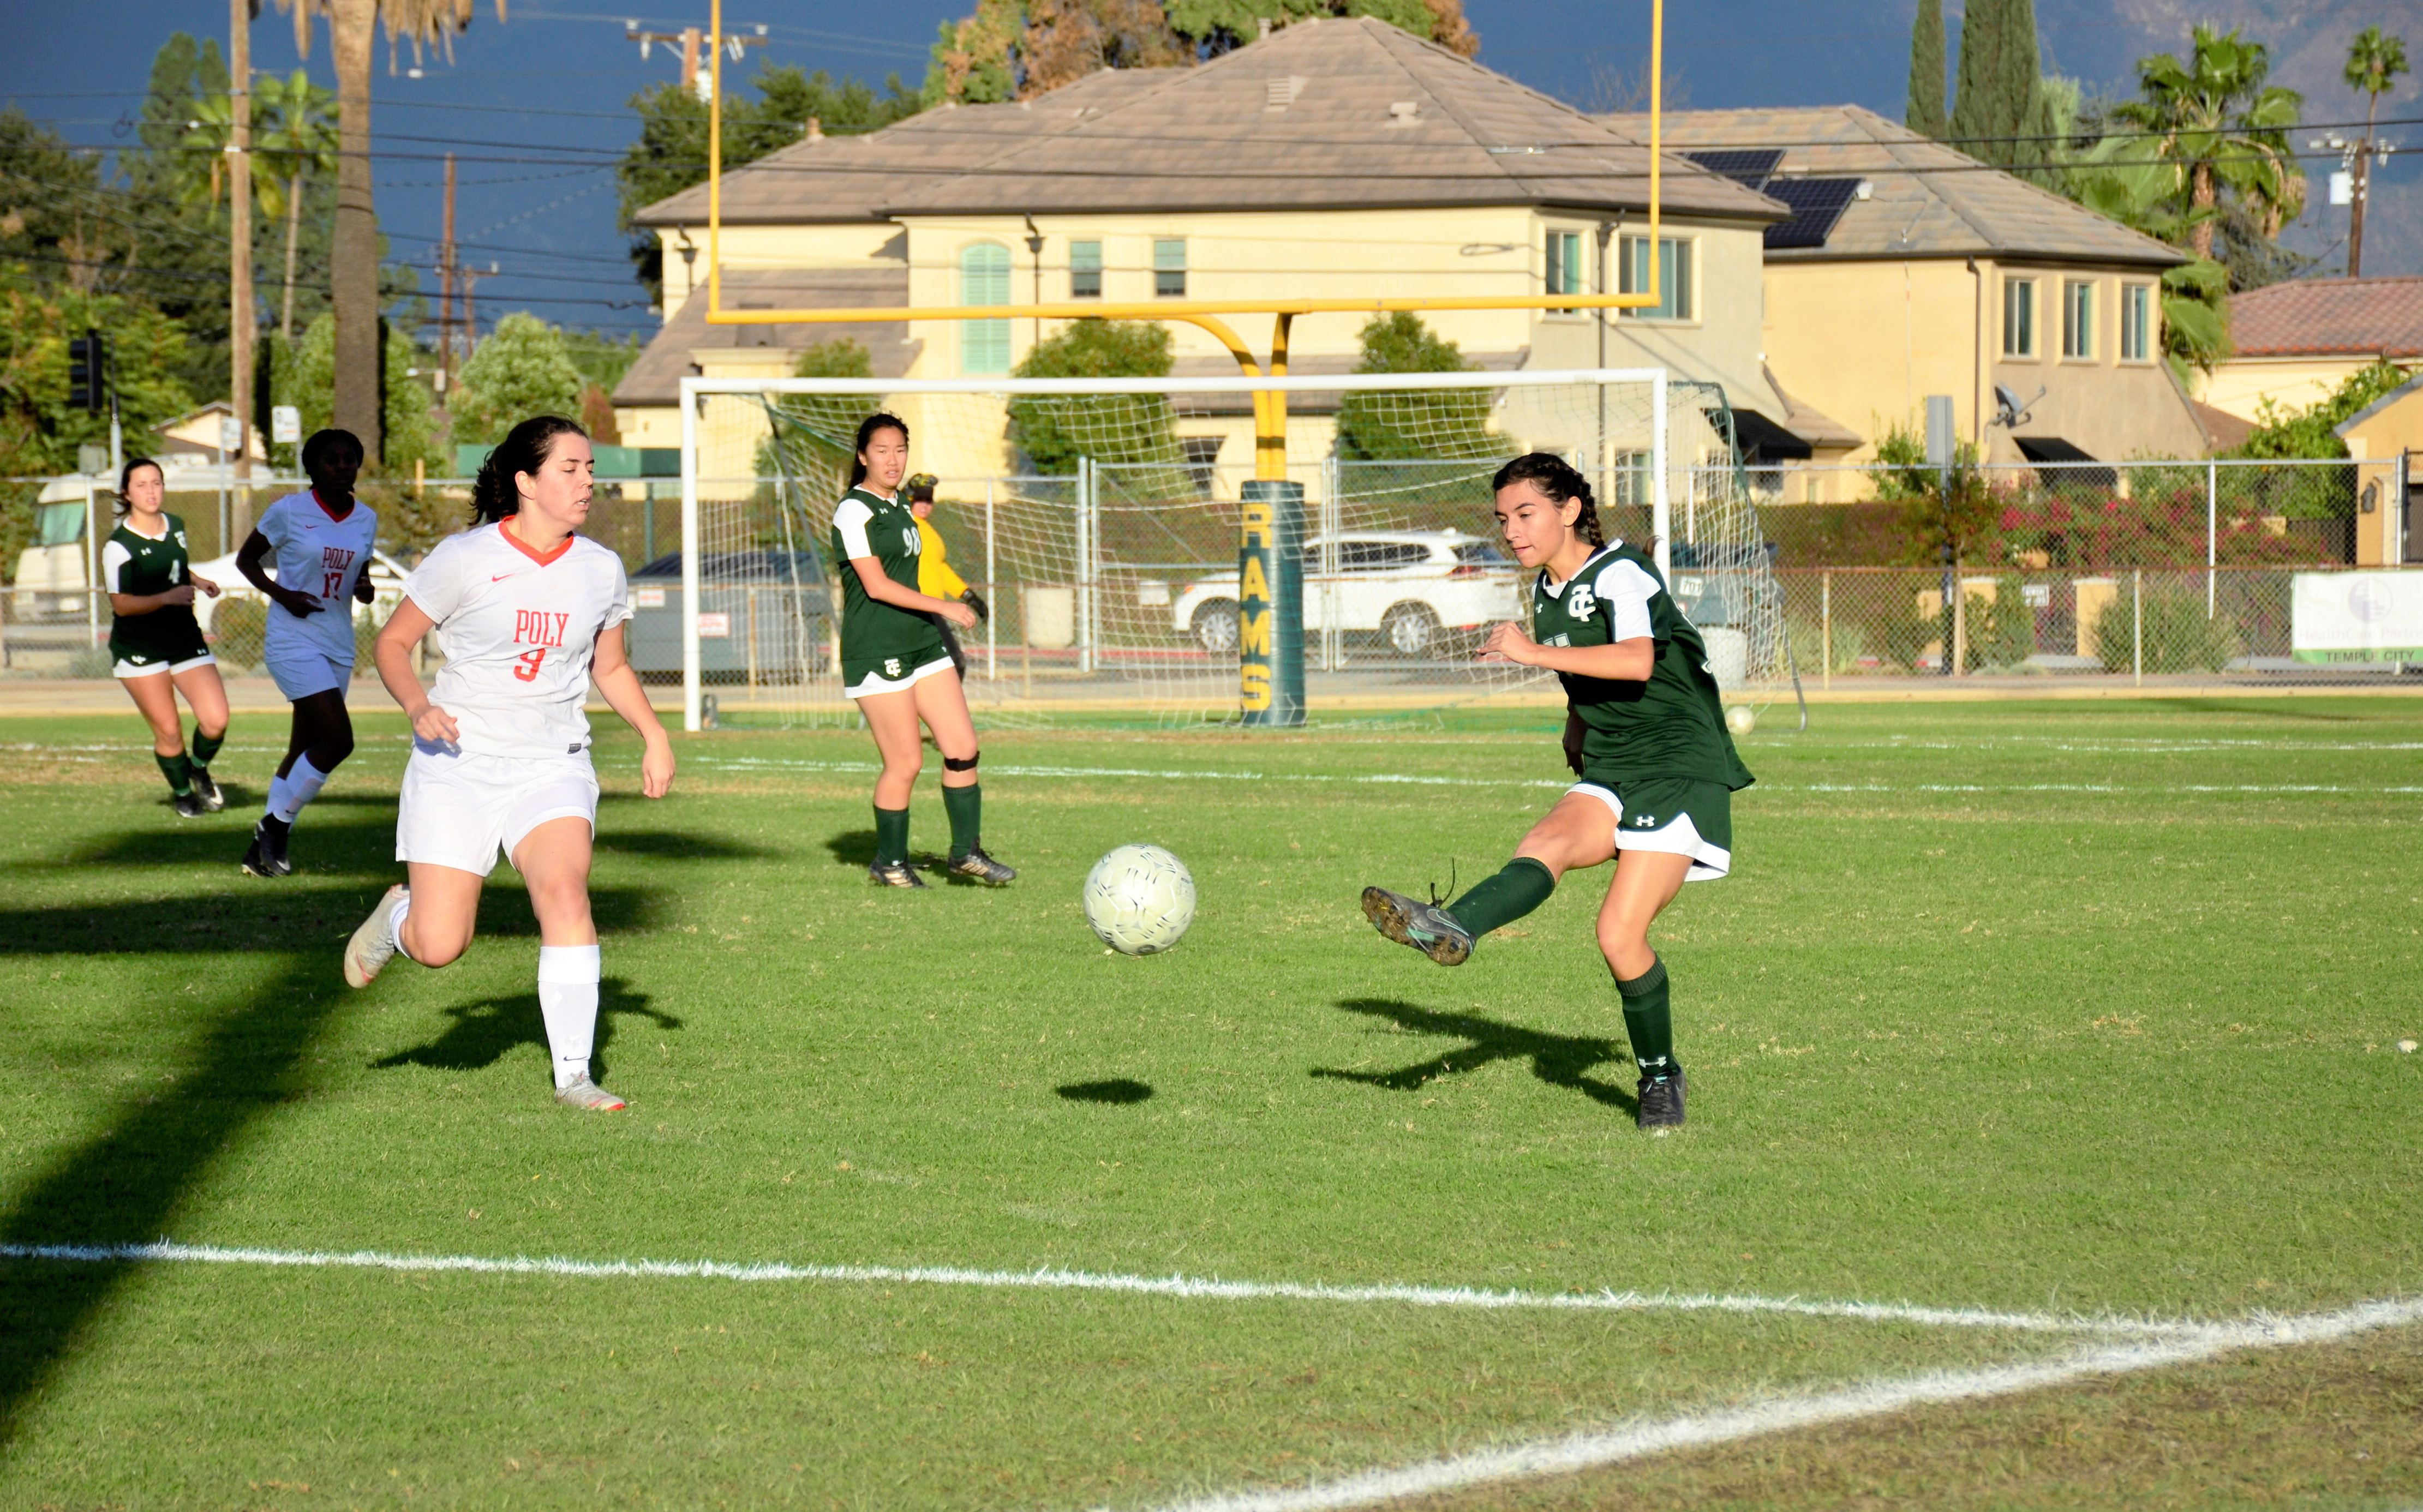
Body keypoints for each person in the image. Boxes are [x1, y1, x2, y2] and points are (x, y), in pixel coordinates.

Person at [1359, 453, 1754, 1130]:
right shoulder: (1546, 590)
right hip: (1612, 762)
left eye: (1524, 514)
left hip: (1679, 766)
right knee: (1544, 842)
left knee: (1617, 934)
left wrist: (1531, 654)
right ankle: (1451, 926)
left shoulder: (1621, 571)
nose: (1511, 530)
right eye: (1502, 518)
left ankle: (1660, 1077)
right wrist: (1576, 725)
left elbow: (1635, 660)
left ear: (1570, 510)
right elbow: (1589, 676)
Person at [341, 415, 674, 1112]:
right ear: (526, 482)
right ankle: (396, 921)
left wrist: (654, 735)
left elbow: (609, 668)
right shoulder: (465, 557)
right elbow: (393, 645)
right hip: (456, 765)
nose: (588, 481)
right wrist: (416, 707)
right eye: (571, 469)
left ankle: (575, 1077)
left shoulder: (601, 568)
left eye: (590, 469)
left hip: (551, 764)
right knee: (439, 946)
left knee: (564, 892)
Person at [831, 416, 1013, 889]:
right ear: (863, 456)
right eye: (882, 450)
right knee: (906, 762)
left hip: (921, 642)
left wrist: (944, 604)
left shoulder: (902, 509)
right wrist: (944, 608)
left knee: (963, 748)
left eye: (900, 450)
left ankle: (965, 854)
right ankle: (889, 863)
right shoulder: (854, 510)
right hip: (877, 648)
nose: (893, 460)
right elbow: (875, 584)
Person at [236, 428, 378, 877]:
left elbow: (359, 570)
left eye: (349, 459)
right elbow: (247, 560)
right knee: (339, 740)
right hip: (293, 638)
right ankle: (275, 826)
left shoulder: (366, 518)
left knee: (304, 747)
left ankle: (260, 852)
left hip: (339, 641)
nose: (342, 466)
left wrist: (364, 585)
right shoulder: (289, 511)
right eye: (331, 459)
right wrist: (284, 595)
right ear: (312, 469)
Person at [104, 457, 230, 817]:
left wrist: (197, 580)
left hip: (183, 637)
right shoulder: (118, 546)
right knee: (170, 731)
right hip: (140, 647)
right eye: (141, 485)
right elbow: (122, 605)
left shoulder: (175, 525)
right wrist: (166, 597)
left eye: (156, 483)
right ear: (126, 493)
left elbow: (171, 564)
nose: (150, 491)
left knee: (216, 719)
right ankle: (181, 793)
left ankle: (198, 770)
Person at [904, 471, 988, 678]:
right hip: (917, 607)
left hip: (932, 608)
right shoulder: (904, 525)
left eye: (929, 500)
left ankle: (925, 709)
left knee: (946, 666)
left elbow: (939, 568)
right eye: (919, 499)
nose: (925, 504)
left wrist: (969, 595)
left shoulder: (928, 531)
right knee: (951, 664)